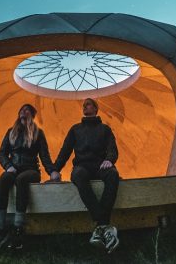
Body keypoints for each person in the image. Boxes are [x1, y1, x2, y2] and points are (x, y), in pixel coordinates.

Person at [50, 98, 120, 253]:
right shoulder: (75, 129)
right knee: (78, 175)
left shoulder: (105, 129)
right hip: (82, 166)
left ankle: (100, 227)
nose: (85, 107)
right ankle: (104, 225)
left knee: (113, 175)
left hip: (100, 164)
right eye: (83, 105)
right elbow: (65, 151)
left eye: (88, 104)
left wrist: (109, 159)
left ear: (96, 109)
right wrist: (55, 169)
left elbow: (112, 148)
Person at [0, 104, 56, 250]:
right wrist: (8, 166)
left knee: (21, 179)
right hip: (14, 169)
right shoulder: (10, 132)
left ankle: (18, 229)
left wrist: (52, 171)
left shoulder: (38, 133)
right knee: (4, 178)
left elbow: (44, 156)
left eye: (27, 110)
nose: (23, 112)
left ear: (32, 115)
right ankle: (0, 228)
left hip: (31, 171)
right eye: (21, 110)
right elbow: (2, 153)